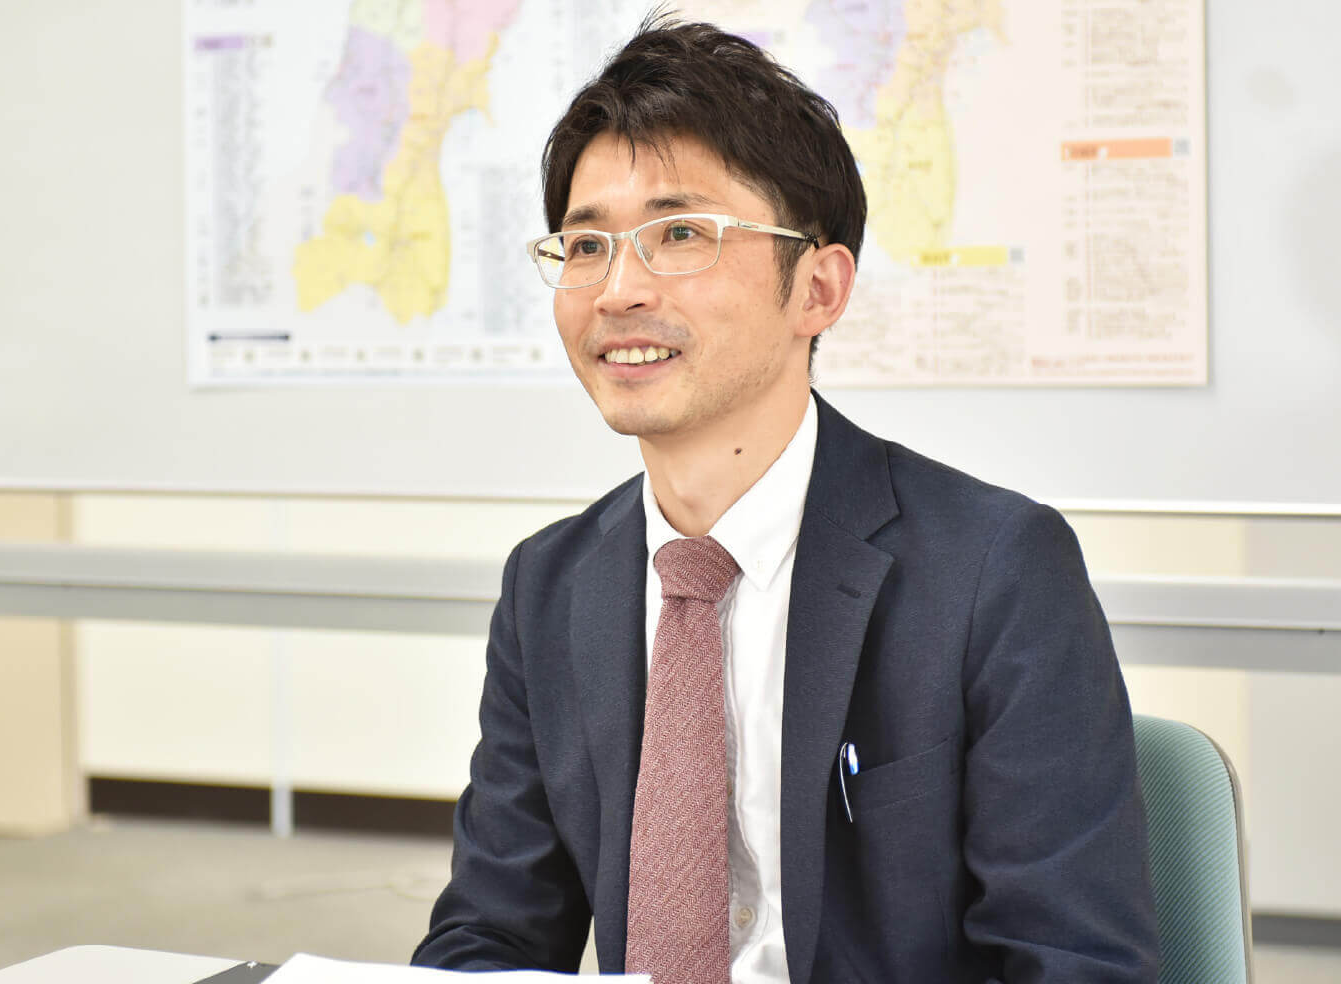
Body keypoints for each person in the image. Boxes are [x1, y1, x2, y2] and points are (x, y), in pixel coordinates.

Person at [413, 17, 1158, 984]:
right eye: (587, 244)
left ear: (818, 289)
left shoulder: (993, 570)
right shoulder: (549, 585)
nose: (617, 290)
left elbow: (1073, 963)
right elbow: (489, 937)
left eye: (681, 234)